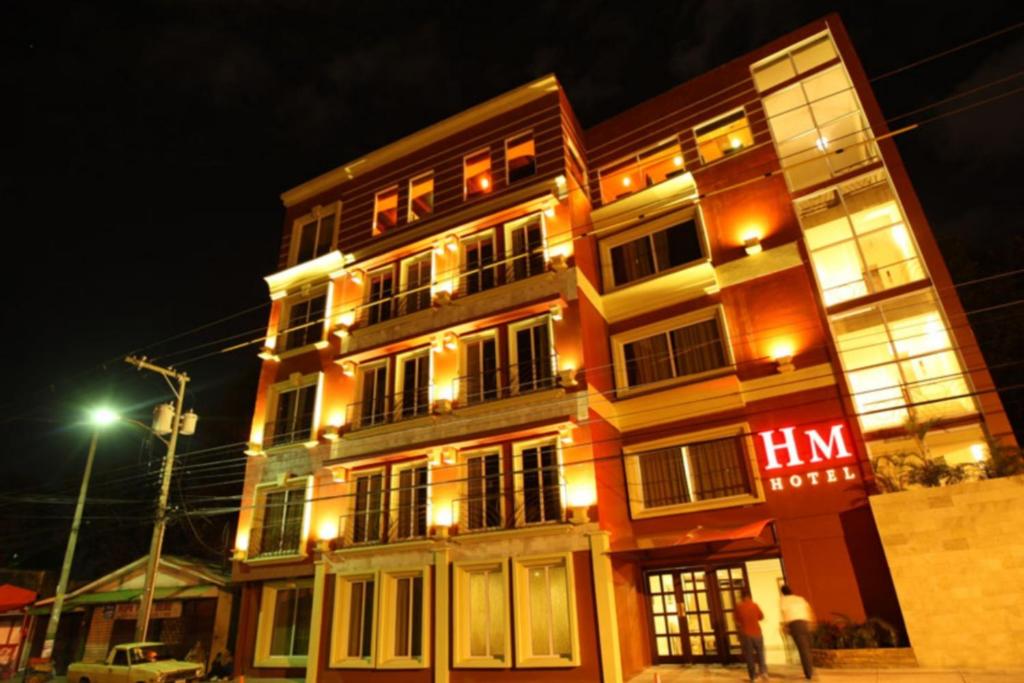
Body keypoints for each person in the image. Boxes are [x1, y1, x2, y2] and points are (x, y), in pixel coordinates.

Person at [780, 584, 816, 680]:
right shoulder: (800, 599)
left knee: (803, 649)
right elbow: (808, 610)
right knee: (807, 648)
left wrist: (784, 627)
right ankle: (810, 670)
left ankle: (809, 673)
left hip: (795, 625)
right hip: (805, 623)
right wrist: (811, 622)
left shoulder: (783, 601)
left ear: (782, 593)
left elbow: (784, 614)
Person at [733, 589, 768, 681]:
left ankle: (752, 676)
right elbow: (761, 617)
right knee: (760, 653)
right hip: (757, 632)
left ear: (741, 596)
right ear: (749, 595)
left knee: (749, 656)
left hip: (745, 634)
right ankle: (763, 672)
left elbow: (736, 621)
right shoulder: (754, 605)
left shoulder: (738, 607)